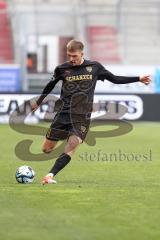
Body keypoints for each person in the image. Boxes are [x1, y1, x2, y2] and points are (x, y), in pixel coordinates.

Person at [31, 39, 151, 184]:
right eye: (69, 55)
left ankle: (50, 175)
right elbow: (50, 85)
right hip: (63, 114)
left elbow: (114, 79)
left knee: (72, 146)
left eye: (74, 56)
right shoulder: (61, 69)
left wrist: (137, 79)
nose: (71, 59)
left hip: (82, 116)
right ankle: (63, 138)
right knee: (46, 149)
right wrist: (38, 102)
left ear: (82, 53)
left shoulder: (94, 67)